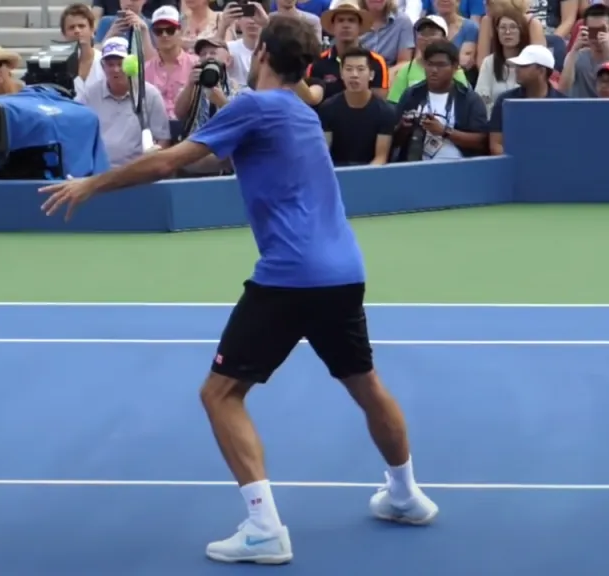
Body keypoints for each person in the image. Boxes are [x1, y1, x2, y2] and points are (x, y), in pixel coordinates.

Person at [39, 15, 438, 565]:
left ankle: (264, 528)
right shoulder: (298, 110)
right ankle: (405, 494)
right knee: (365, 384)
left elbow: (171, 160)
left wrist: (92, 184)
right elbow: (229, 144)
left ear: (264, 56)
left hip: (290, 275)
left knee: (220, 395)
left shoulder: (256, 106)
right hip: (343, 270)